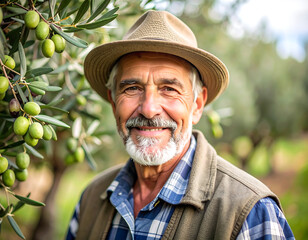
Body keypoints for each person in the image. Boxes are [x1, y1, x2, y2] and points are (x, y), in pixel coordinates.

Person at [66, 10, 294, 240]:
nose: (149, 108)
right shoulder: (91, 201)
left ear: (196, 105)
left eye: (169, 89)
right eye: (132, 88)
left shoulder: (250, 213)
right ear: (114, 103)